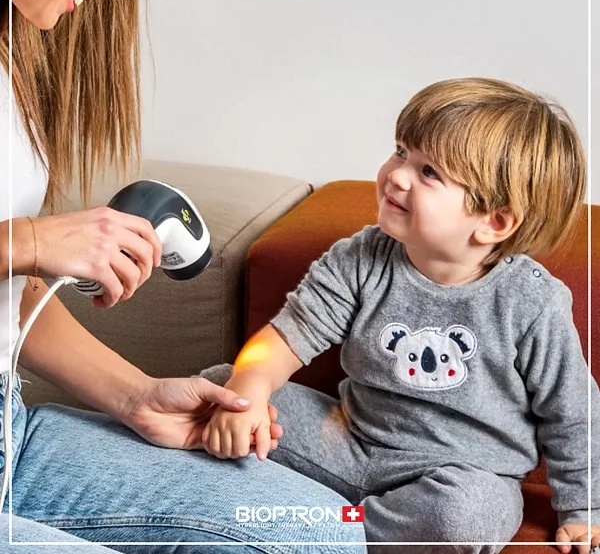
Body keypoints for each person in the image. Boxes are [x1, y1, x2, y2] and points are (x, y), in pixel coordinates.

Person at [0, 0, 367, 551]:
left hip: (8, 432)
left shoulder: (10, 56)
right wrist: (31, 241)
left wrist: (136, 396)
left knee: (321, 533)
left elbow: (10, 295)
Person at [199, 77, 600, 554]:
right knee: (217, 389)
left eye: (428, 172)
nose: (397, 175)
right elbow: (289, 335)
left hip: (461, 475)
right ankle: (332, 519)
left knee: (464, 517)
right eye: (400, 152)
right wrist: (249, 388)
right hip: (347, 441)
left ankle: (325, 525)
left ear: (493, 221)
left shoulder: (531, 301)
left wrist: (584, 509)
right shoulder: (360, 257)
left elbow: (573, 412)